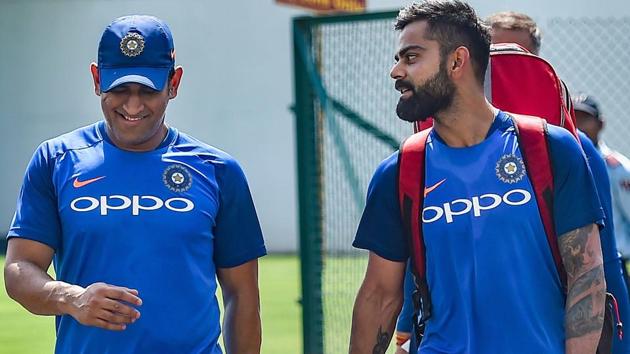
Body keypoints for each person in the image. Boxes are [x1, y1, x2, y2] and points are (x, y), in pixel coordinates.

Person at [349, 1, 606, 353]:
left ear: (457, 61)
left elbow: (587, 276)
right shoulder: (399, 171)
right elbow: (379, 296)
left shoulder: (549, 148)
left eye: (411, 57)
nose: (396, 71)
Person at [3, 15, 266, 354]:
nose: (132, 106)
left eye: (148, 90)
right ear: (97, 79)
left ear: (174, 83)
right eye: (120, 89)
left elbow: (243, 295)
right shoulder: (56, 160)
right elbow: (19, 269)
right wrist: (73, 298)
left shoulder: (218, 170)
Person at [575, 94, 630, 281]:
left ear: (600, 123)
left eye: (584, 118)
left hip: (618, 263)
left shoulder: (617, 169)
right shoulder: (565, 165)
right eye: (574, 118)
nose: (578, 126)